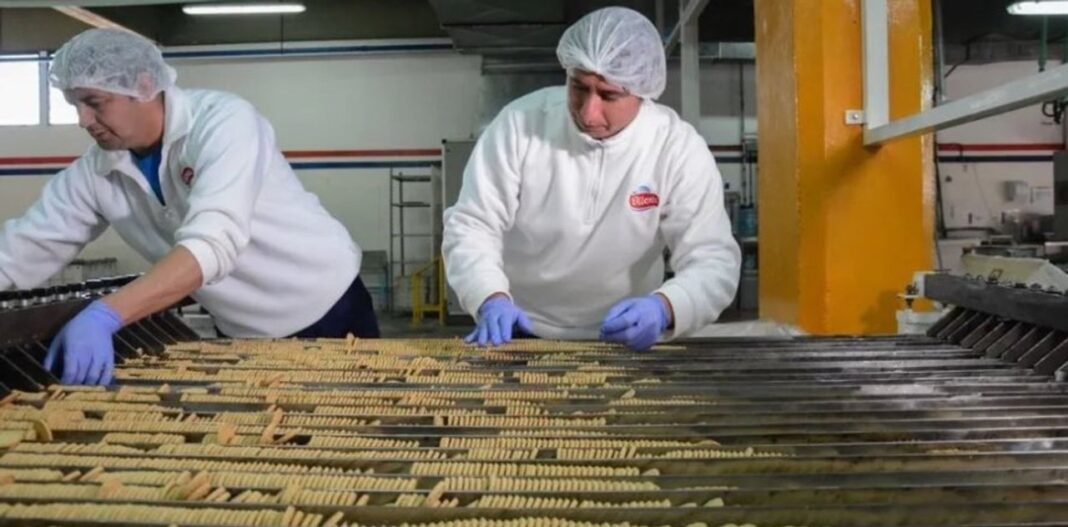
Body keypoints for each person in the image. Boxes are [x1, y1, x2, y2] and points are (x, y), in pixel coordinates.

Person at [0, 28, 379, 386]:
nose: (83, 120)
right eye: (75, 105)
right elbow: (21, 250)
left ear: (143, 86)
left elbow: (213, 242)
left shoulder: (223, 122)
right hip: (242, 330)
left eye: (94, 103)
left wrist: (106, 314)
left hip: (327, 306)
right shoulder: (96, 172)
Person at [443, 7, 741, 350]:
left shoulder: (674, 148)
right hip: (519, 328)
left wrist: (666, 308)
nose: (588, 111)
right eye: (579, 87)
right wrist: (489, 296)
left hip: (626, 335)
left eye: (608, 95)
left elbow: (712, 259)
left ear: (642, 90)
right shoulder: (519, 126)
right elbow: (472, 225)